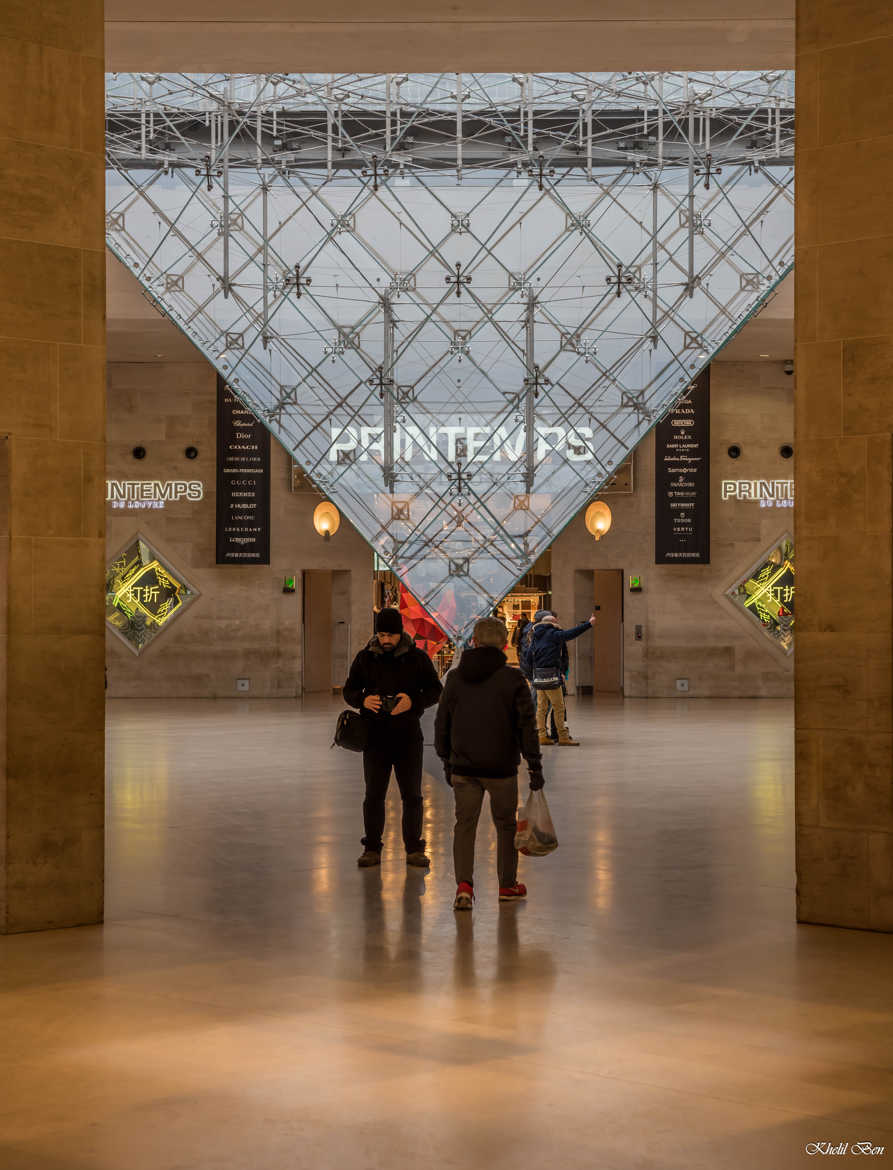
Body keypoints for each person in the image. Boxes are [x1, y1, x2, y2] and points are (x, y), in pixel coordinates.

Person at [435, 616, 544, 911]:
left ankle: (464, 886)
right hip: (501, 769)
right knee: (506, 826)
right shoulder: (512, 680)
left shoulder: (456, 678)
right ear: (505, 644)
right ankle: (507, 884)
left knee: (464, 825)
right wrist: (534, 765)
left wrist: (446, 759)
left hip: (464, 768)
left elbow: (441, 723)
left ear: (473, 641)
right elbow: (526, 726)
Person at [343, 608, 442, 868]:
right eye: (382, 634)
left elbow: (435, 690)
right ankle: (372, 848)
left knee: (412, 796)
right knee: (374, 794)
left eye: (391, 635)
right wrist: (363, 699)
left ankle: (414, 848)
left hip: (408, 738)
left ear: (401, 634)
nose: (386, 640)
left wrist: (412, 701)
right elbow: (349, 690)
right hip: (374, 739)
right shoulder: (365, 658)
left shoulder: (417, 658)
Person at [520, 609, 597, 746]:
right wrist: (589, 624)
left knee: (541, 708)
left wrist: (533, 672)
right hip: (551, 677)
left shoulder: (535, 635)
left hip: (538, 677)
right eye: (556, 621)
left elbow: (528, 657)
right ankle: (562, 737)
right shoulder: (553, 634)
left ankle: (541, 735)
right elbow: (570, 634)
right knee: (559, 707)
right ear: (552, 623)